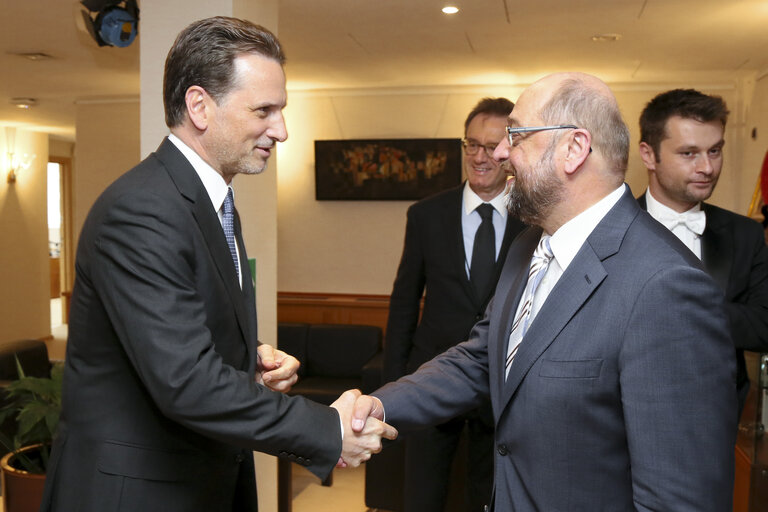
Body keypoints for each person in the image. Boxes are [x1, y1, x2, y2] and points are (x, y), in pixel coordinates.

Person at [40, 17, 396, 511]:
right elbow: (184, 381)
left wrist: (246, 359)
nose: (283, 129)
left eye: (282, 109)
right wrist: (328, 428)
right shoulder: (142, 210)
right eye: (265, 110)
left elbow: (167, 335)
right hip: (138, 493)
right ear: (199, 105)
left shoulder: (209, 202)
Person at [353, 72, 736, 511]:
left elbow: (680, 500)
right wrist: (375, 406)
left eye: (515, 135)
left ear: (573, 149)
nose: (500, 153)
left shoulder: (667, 287)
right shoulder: (527, 246)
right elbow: (481, 359)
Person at [383, 97, 525, 512]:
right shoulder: (426, 215)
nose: (480, 158)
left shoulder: (531, 221)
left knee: (487, 493)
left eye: (492, 147)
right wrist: (394, 383)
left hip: (499, 384)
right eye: (472, 145)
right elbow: (405, 301)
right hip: (430, 378)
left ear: (511, 151)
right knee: (423, 494)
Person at [636, 88, 768, 418]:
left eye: (715, 151)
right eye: (689, 153)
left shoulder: (746, 234)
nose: (707, 167)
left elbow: (763, 326)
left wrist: (689, 308)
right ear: (649, 155)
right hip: (626, 423)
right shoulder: (608, 230)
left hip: (717, 421)